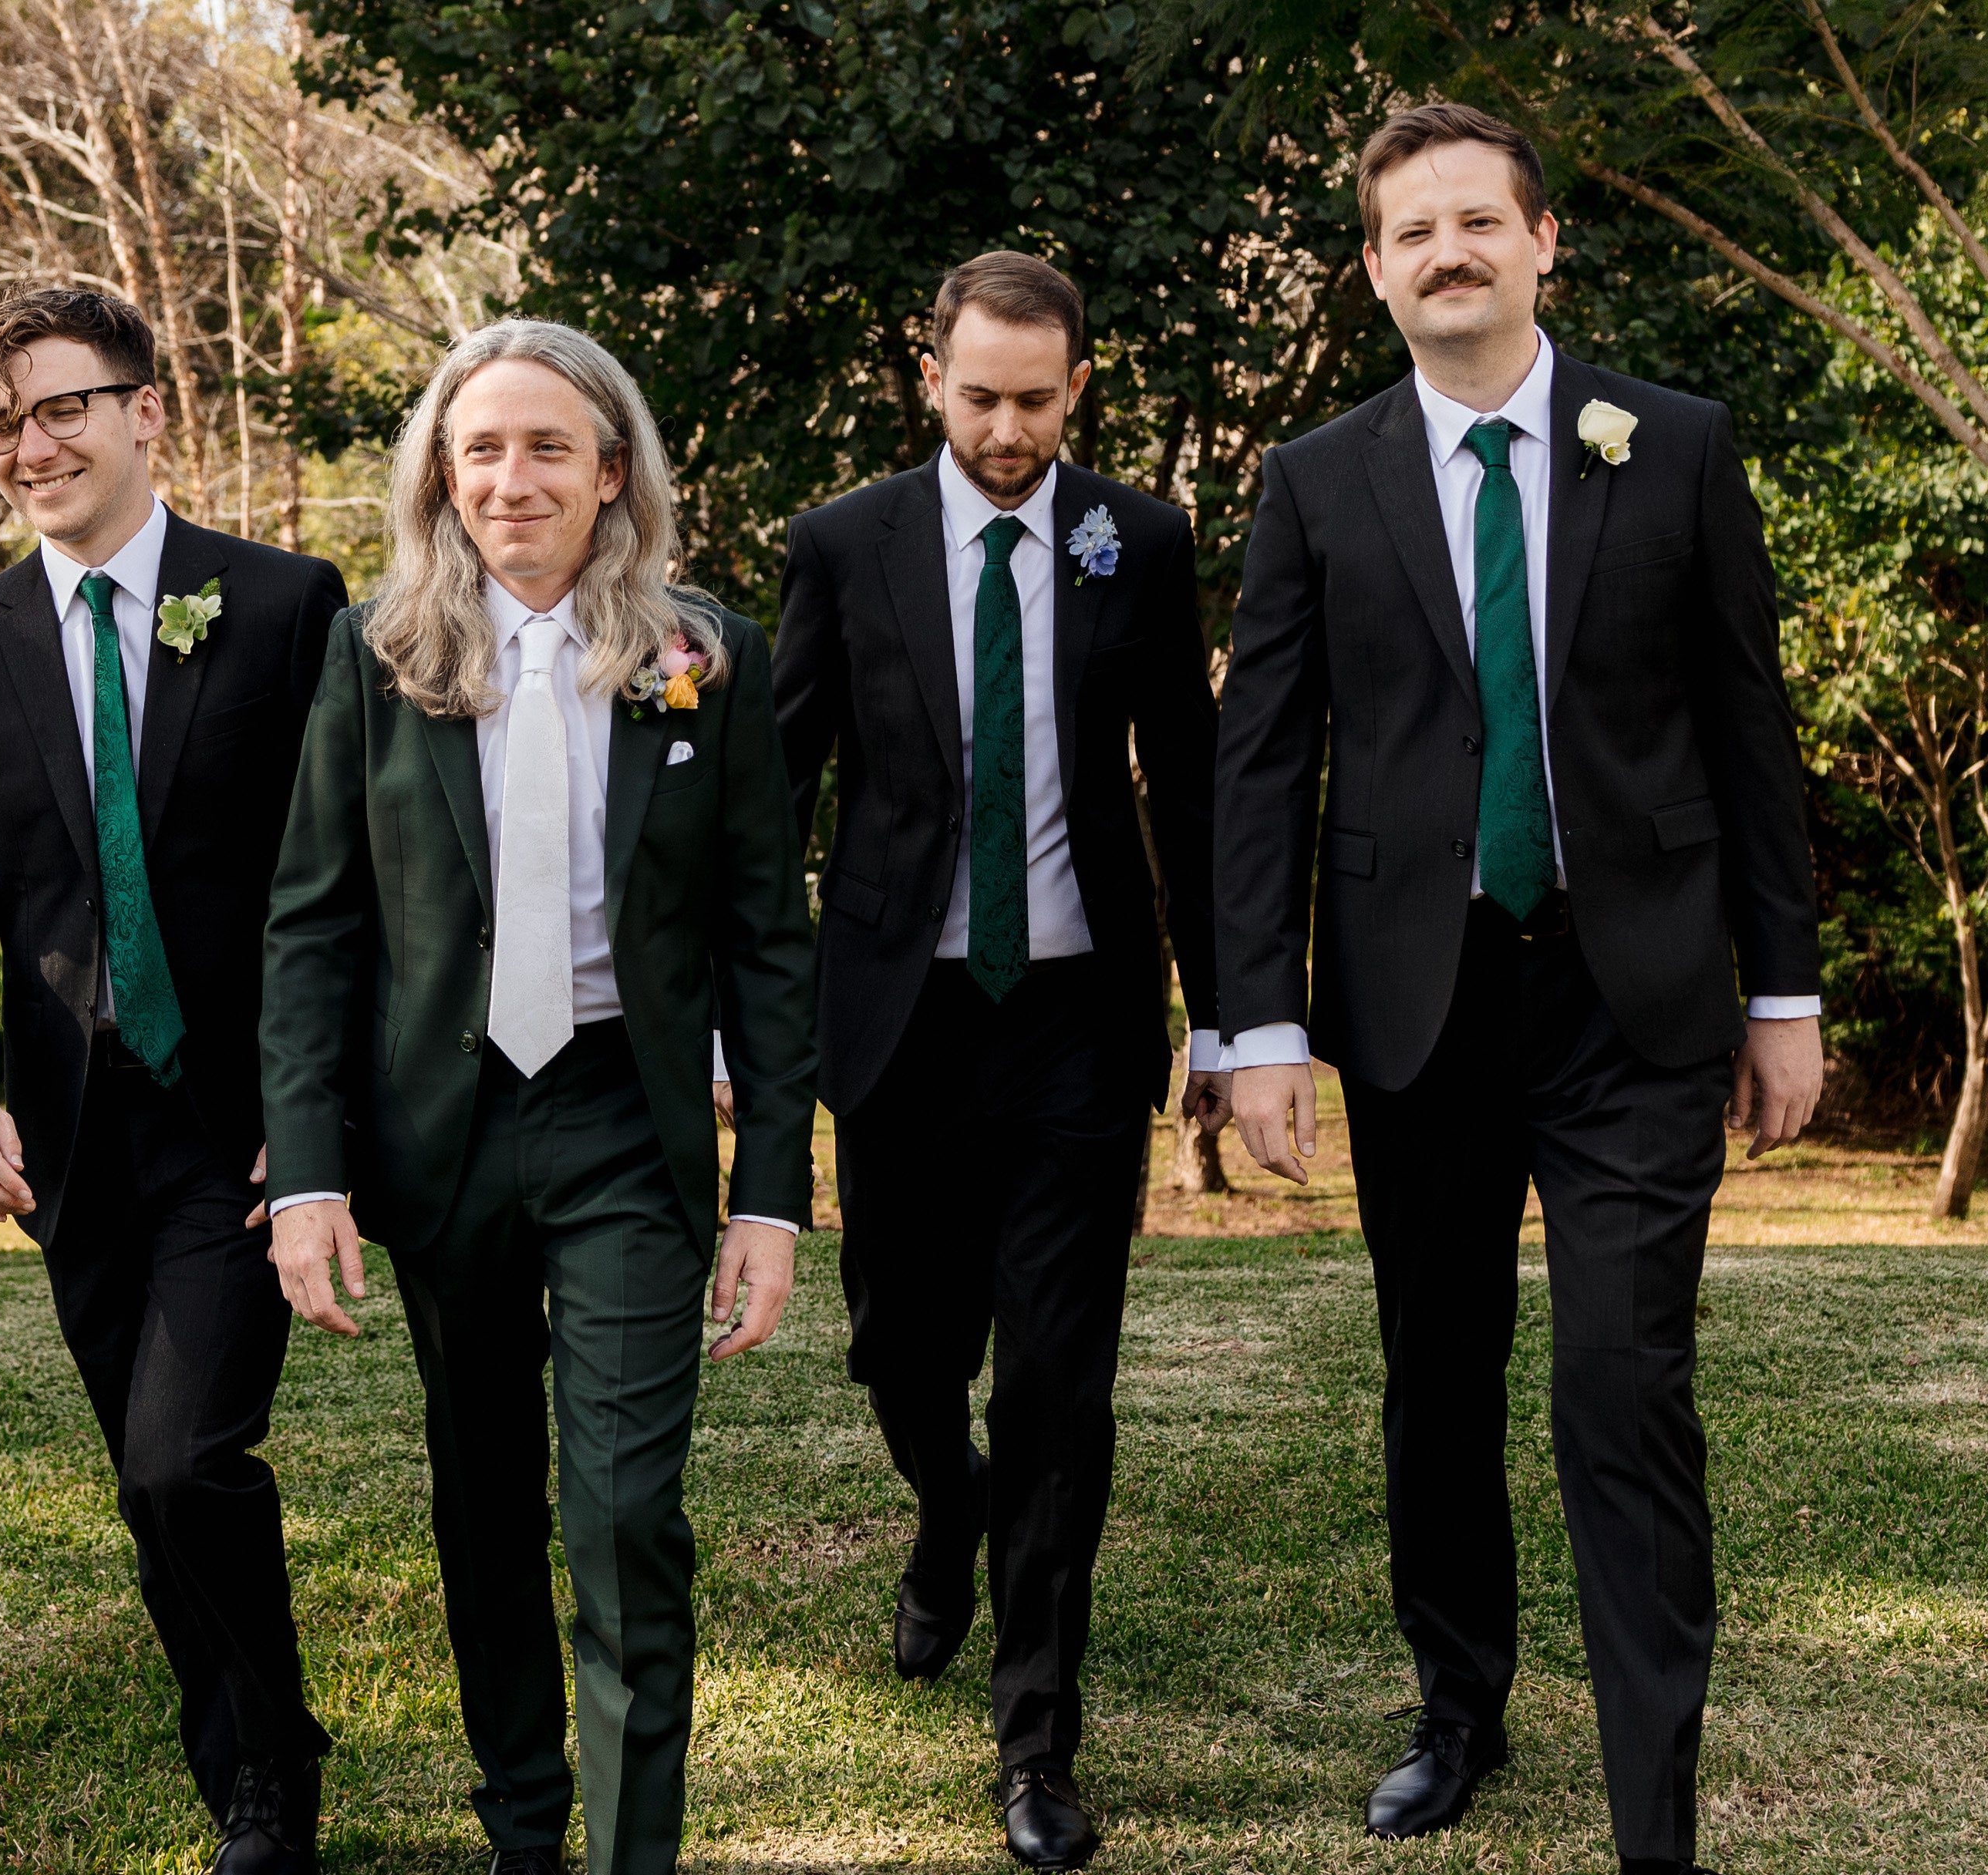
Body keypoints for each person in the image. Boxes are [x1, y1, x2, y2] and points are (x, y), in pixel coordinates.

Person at [1215, 104, 1821, 1875]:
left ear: (1546, 243)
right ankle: (1458, 1704)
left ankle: (1655, 1806)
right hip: (1419, 1006)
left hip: (1633, 997)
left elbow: (1748, 733)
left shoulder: (1678, 447)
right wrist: (1261, 1029)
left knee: (1619, 1383)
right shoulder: (1317, 479)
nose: (1449, 253)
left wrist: (1781, 991)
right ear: (1379, 270)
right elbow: (1262, 769)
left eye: (1480, 222)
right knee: (1440, 1374)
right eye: (1414, 232)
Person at [256, 318, 817, 1875]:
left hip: (624, 1126)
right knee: (485, 1502)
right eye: (483, 446)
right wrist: (308, 1173)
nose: (514, 477)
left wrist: (770, 1193)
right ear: (443, 471)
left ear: (611, 470)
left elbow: (768, 939)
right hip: (440, 1135)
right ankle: (522, 1832)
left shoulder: (704, 653)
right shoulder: (379, 654)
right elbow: (313, 922)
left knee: (625, 1510)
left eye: (547, 446)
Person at [0, 288, 349, 1875]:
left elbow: (338, 874)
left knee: (183, 1456)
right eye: (3, 423)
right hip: (72, 1145)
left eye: (61, 407)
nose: (32, 445)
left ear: (151, 408)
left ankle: (272, 1775)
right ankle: (238, 1741)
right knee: (150, 1490)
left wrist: (317, 1106)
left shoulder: (285, 607)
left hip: (242, 1132)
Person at [771, 251, 1227, 1870]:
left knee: (1056, 1380)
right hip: (898, 1018)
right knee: (903, 1349)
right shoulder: (843, 543)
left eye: (1038, 401)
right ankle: (944, 1503)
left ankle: (1037, 1736)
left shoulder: (1140, 541)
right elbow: (777, 777)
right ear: (931, 375)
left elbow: (1189, 779)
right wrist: (735, 1004)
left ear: (1079, 386)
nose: (1009, 428)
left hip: (1076, 1023)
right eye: (981, 398)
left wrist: (1226, 1014)